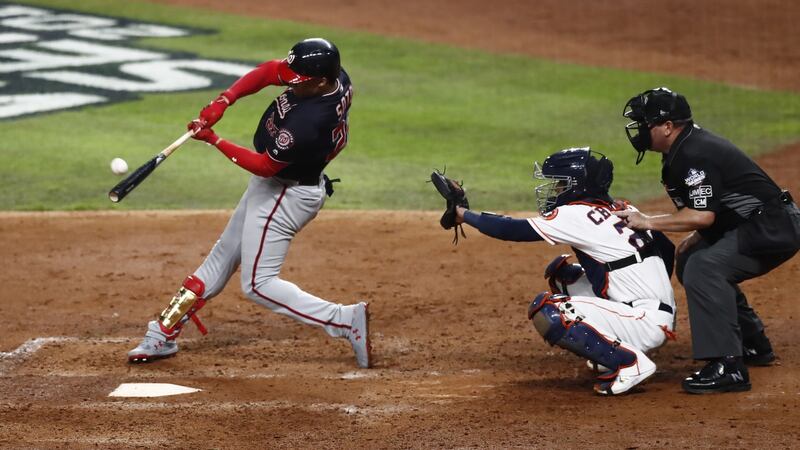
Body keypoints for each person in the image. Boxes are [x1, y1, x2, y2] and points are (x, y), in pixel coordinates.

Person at [127, 38, 371, 369]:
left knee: (258, 284)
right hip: (277, 184)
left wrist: (214, 140)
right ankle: (163, 332)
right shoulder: (332, 77)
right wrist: (224, 100)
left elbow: (264, 166)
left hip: (286, 193)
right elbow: (270, 71)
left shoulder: (312, 121)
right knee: (222, 256)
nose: (291, 83)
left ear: (321, 81)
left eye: (298, 81)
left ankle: (343, 319)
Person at [616, 87, 800, 393]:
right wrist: (696, 237)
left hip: (772, 227)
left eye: (644, 123)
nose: (638, 130)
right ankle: (752, 342)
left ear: (667, 127)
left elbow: (703, 216)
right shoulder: (684, 147)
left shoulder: (693, 153)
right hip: (757, 222)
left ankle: (728, 366)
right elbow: (711, 211)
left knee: (704, 267)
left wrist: (648, 221)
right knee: (691, 258)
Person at [453, 147, 677, 395]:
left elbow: (512, 230)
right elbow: (666, 250)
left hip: (643, 321)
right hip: (654, 314)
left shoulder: (577, 213)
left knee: (551, 311)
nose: (555, 190)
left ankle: (630, 363)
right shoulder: (620, 207)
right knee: (565, 276)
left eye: (560, 184)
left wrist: (463, 214)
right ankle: (616, 346)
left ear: (576, 185)